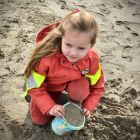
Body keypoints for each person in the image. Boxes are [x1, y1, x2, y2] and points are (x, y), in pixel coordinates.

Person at [23, 9, 104, 125]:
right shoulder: (46, 57)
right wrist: (50, 106)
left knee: (80, 88)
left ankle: (74, 102)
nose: (73, 53)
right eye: (68, 45)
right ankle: (36, 101)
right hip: (49, 87)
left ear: (91, 45)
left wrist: (88, 106)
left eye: (81, 48)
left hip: (73, 83)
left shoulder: (92, 59)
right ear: (61, 38)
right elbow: (33, 85)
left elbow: (98, 86)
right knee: (39, 120)